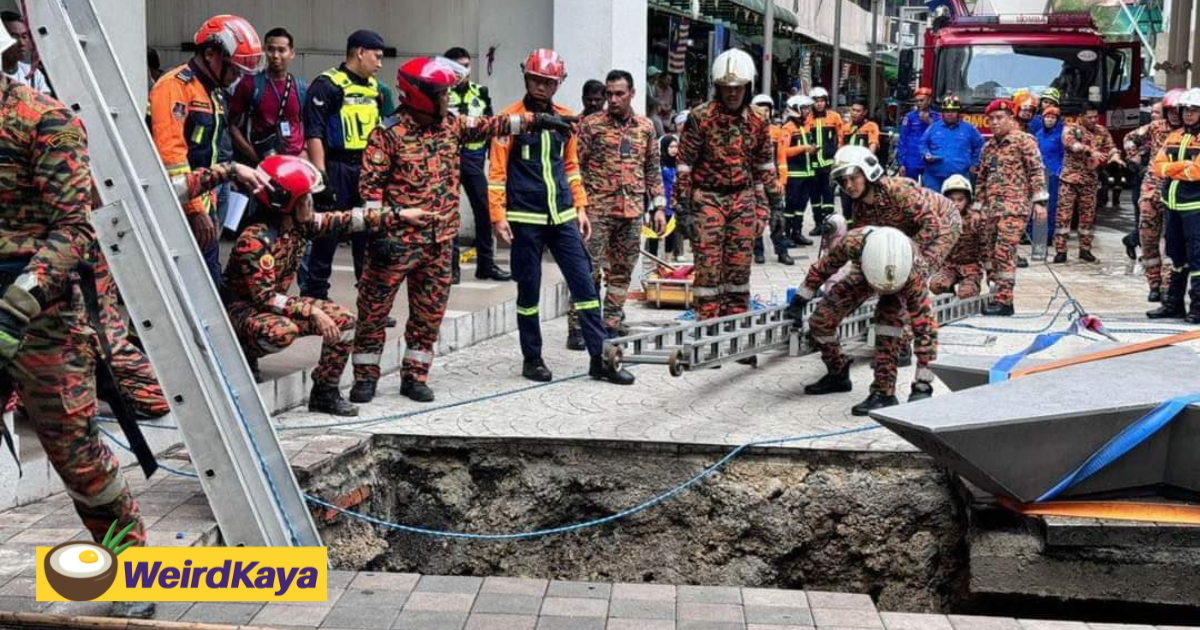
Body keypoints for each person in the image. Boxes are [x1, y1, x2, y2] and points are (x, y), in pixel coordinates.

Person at [0, 30, 151, 618]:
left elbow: (75, 230)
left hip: (41, 312)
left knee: (78, 455)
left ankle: (133, 572)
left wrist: (20, 300)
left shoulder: (45, 121)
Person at [350, 57, 578, 402]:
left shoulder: (452, 125)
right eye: (442, 94)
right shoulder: (387, 135)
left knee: (428, 318)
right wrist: (379, 232)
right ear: (422, 95)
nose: (448, 100)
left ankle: (414, 376)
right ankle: (365, 378)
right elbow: (369, 193)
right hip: (394, 244)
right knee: (373, 314)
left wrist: (541, 120)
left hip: (439, 246)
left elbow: (496, 124)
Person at [223, 156, 415, 415]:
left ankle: (325, 391)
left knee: (344, 321)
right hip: (241, 312)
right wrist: (312, 311)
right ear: (285, 202)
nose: (311, 203)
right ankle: (243, 352)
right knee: (281, 331)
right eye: (305, 197)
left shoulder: (298, 226)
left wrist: (399, 214)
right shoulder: (255, 240)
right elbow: (264, 298)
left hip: (275, 306)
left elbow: (346, 220)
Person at [489, 48, 635, 385]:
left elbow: (571, 168)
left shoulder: (567, 119)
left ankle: (599, 358)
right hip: (525, 219)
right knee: (529, 292)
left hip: (563, 217)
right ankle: (533, 358)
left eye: (548, 82)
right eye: (536, 79)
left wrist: (581, 209)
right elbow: (496, 173)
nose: (541, 87)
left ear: (557, 85)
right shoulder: (509, 120)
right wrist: (498, 216)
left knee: (585, 286)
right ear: (526, 77)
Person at [150, 15, 264, 287]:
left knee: (205, 288)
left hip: (205, 206)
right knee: (179, 291)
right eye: (234, 69)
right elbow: (172, 159)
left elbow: (213, 151)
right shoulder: (174, 87)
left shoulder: (214, 93)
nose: (237, 77)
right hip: (179, 210)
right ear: (211, 54)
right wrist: (195, 212)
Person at [674, 49, 785, 324]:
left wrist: (775, 205)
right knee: (708, 271)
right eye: (726, 88)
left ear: (748, 87)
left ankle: (736, 330)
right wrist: (683, 208)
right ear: (718, 87)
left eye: (738, 88)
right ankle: (707, 332)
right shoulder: (701, 117)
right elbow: (685, 165)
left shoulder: (759, 119)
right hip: (708, 199)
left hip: (742, 200)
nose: (732, 94)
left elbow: (764, 165)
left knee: (738, 272)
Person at [786, 226, 938, 416]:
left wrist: (922, 384)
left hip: (900, 281)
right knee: (821, 320)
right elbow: (824, 267)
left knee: (888, 329)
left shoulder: (914, 274)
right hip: (866, 275)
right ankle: (838, 373)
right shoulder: (853, 242)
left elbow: (926, 331)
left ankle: (884, 394)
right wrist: (799, 300)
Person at [566, 69, 666, 347]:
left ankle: (610, 322)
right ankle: (577, 326)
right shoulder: (591, 124)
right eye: (609, 94)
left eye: (619, 94)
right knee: (587, 269)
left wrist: (658, 207)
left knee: (622, 270)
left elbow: (652, 170)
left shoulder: (645, 127)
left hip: (632, 211)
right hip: (596, 210)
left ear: (632, 93)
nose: (613, 99)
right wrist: (579, 207)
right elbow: (575, 166)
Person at [300, 30, 385, 300]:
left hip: (367, 170)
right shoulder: (327, 85)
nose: (380, 64)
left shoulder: (375, 89)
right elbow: (314, 133)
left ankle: (370, 300)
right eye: (377, 57)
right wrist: (321, 178)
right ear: (360, 52)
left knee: (368, 234)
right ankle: (315, 295)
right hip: (336, 167)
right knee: (328, 233)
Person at [976, 98, 1049, 316]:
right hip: (992, 208)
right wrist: (977, 207)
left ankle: (1005, 301)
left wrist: (1040, 202)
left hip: (1014, 206)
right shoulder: (988, 147)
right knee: (988, 251)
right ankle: (995, 293)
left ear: (1010, 119)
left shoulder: (1024, 141)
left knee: (1004, 252)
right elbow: (981, 178)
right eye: (991, 119)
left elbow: (1036, 170)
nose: (995, 123)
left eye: (999, 118)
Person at [445, 46, 511, 283]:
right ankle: (451, 269)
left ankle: (486, 265)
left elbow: (491, 125)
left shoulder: (480, 92)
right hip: (448, 159)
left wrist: (492, 157)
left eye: (466, 65)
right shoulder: (441, 92)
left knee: (484, 211)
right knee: (449, 213)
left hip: (473, 159)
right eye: (457, 66)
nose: (463, 70)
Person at [1127, 89, 1186, 303]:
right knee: (1148, 240)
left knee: (1171, 243)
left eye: (1176, 111)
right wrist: (1135, 159)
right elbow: (1129, 138)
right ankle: (1153, 285)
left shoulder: (1189, 135)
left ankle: (1168, 286)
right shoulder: (1155, 127)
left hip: (1175, 193)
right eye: (1169, 111)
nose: (1172, 115)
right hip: (1150, 192)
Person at [1147, 87, 1200, 324]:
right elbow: (1159, 168)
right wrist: (1181, 166)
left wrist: (1174, 168)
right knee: (1176, 256)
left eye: (1194, 110)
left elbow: (1197, 172)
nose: (1189, 114)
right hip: (1173, 206)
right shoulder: (1174, 136)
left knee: (1198, 259)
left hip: (1195, 208)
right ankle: (1174, 304)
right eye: (1186, 110)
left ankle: (1197, 307)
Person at [228, 27, 306, 166]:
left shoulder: (301, 88)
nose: (275, 55)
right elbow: (231, 125)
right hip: (263, 161)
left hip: (295, 163)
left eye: (282, 50)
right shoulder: (250, 84)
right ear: (264, 50)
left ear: (292, 53)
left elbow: (310, 126)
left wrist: (304, 152)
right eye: (271, 49)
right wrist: (252, 154)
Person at [1054, 103, 1121, 263]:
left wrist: (1115, 156)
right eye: (1089, 117)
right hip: (1070, 180)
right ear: (1081, 116)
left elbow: (1110, 147)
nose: (1093, 120)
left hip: (1090, 181)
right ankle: (1061, 250)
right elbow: (1072, 144)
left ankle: (1085, 249)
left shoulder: (1101, 131)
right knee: (1064, 216)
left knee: (1088, 217)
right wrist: (1090, 150)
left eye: (1095, 117)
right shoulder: (1071, 128)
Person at [752, 93, 794, 265]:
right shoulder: (747, 131)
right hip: (754, 183)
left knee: (778, 217)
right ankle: (758, 251)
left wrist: (782, 181)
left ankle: (782, 251)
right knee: (755, 217)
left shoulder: (778, 132)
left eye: (767, 110)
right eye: (760, 110)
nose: (764, 113)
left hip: (773, 182)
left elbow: (782, 158)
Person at [930, 175, 987, 299]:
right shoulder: (939, 219)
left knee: (966, 294)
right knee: (936, 285)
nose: (956, 204)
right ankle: (948, 293)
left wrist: (991, 272)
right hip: (949, 266)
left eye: (960, 200)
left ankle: (969, 287)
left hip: (970, 266)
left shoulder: (975, 219)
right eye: (951, 199)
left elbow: (985, 247)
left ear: (968, 200)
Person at [918, 95, 982, 194]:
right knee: (933, 207)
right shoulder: (933, 128)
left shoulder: (969, 129)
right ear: (942, 113)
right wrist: (926, 154)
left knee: (957, 207)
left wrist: (974, 164)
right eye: (947, 111)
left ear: (958, 113)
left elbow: (979, 147)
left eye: (953, 111)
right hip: (934, 178)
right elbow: (922, 144)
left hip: (959, 178)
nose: (949, 114)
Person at [780, 94, 817, 247]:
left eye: (808, 108)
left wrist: (813, 149)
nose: (808, 111)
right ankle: (786, 234)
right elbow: (784, 152)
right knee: (790, 206)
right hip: (794, 174)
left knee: (801, 206)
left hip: (807, 173)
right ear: (796, 110)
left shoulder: (805, 126)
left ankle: (797, 233)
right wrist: (803, 148)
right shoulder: (787, 128)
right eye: (804, 108)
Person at [805, 86, 843, 233]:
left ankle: (828, 224)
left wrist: (838, 157)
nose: (819, 104)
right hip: (813, 164)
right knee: (814, 196)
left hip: (829, 164)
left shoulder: (834, 117)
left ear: (826, 102)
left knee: (828, 196)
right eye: (816, 101)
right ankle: (818, 224)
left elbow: (840, 138)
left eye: (822, 101)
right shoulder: (807, 118)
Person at [840, 99, 881, 221]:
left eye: (858, 111)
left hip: (862, 171)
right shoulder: (845, 127)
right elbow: (840, 148)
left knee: (864, 201)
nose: (854, 113)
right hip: (847, 171)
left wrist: (864, 165)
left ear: (864, 112)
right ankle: (848, 229)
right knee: (846, 204)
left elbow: (873, 146)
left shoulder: (871, 126)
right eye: (853, 110)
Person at [1032, 105, 1065, 252]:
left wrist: (1059, 171)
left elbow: (1065, 155)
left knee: (1050, 208)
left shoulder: (1061, 136)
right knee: (1037, 207)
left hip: (1053, 175)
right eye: (1047, 117)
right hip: (1039, 174)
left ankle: (1048, 237)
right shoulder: (1038, 135)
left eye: (1053, 118)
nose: (1050, 120)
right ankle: (1036, 237)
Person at [647, 134, 681, 261]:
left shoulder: (678, 164)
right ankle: (653, 261)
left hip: (672, 204)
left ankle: (667, 260)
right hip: (658, 203)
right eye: (671, 146)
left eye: (676, 146)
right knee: (655, 233)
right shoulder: (658, 165)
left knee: (671, 233)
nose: (674, 149)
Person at [1, 11, 49, 94]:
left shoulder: (34, 75)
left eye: (24, 36)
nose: (22, 43)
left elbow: (48, 104)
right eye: (14, 37)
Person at [897, 87, 938, 182]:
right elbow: (903, 140)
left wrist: (929, 121)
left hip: (930, 161)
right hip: (911, 162)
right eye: (917, 101)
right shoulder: (909, 117)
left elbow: (941, 136)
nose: (919, 103)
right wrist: (901, 163)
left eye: (922, 100)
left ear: (929, 100)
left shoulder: (937, 117)